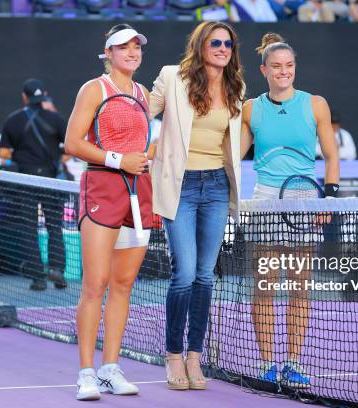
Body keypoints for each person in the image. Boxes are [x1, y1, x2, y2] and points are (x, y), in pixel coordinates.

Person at [240, 33, 340, 388]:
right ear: (264, 69)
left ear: (294, 68)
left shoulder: (315, 105)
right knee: (265, 288)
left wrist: (328, 198)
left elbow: (331, 156)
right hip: (266, 203)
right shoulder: (250, 109)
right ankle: (268, 364)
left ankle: (293, 363)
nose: (284, 72)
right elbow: (231, 154)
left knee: (300, 289)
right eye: (277, 67)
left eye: (289, 66)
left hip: (303, 204)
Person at [149, 21, 244, 391]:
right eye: (215, 42)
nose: (222, 47)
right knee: (184, 275)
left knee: (205, 276)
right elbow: (142, 110)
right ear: (201, 44)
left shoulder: (236, 86)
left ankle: (194, 355)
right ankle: (173, 355)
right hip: (181, 187)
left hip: (217, 187)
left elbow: (234, 139)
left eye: (228, 43)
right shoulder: (172, 77)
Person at [64, 24, 154, 401]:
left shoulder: (143, 93)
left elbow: (143, 144)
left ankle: (110, 369)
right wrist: (119, 159)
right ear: (108, 53)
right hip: (102, 187)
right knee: (95, 284)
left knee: (122, 285)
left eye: (137, 47)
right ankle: (86, 373)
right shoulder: (93, 89)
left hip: (139, 191)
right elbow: (71, 143)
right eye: (124, 47)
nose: (132, 52)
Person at [0, 79, 68, 291]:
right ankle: (57, 270)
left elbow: (2, 154)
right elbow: (71, 149)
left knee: (29, 228)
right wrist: (57, 160)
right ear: (44, 95)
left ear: (24, 97)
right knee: (55, 225)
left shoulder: (13, 120)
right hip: (50, 179)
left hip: (25, 180)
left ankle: (37, 277)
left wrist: (16, 158)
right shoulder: (56, 119)